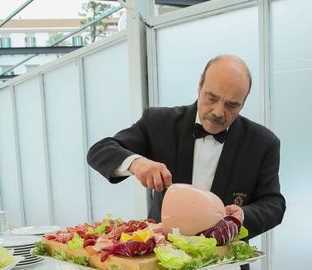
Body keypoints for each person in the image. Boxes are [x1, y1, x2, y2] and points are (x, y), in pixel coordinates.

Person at [87, 54, 286, 240]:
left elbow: (274, 204)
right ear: (199, 86)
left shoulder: (262, 143)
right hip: (161, 257)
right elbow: (100, 150)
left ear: (243, 103)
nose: (218, 112)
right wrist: (137, 163)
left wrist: (241, 216)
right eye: (211, 98)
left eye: (231, 105)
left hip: (224, 263)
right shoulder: (158, 122)